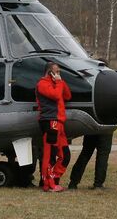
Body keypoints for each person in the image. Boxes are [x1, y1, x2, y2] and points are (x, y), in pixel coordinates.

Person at [36, 62, 72, 192]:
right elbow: (56, 96)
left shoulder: (57, 83)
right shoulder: (42, 84)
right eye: (57, 71)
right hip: (49, 121)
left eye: (59, 72)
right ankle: (48, 184)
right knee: (50, 154)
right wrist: (58, 83)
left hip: (59, 122)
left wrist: (60, 81)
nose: (58, 74)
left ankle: (55, 178)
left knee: (65, 155)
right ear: (49, 72)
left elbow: (67, 96)